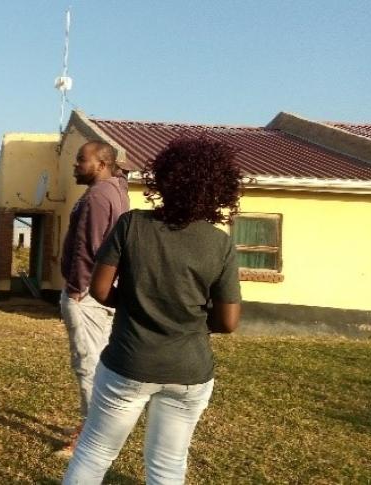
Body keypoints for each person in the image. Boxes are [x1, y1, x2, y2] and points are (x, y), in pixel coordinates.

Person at [63, 136, 243, 484]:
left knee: (95, 452)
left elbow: (99, 289)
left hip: (128, 363)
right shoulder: (221, 244)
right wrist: (189, 317)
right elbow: (228, 321)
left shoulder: (131, 224)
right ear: (216, 190)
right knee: (167, 465)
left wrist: (134, 304)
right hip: (189, 372)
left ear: (162, 181)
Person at [58, 141, 129, 453]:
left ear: (101, 164)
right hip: (99, 291)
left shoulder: (98, 196)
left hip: (86, 294)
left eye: (81, 160)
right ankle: (96, 425)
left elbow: (88, 248)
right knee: (98, 360)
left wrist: (76, 289)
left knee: (87, 363)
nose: (75, 165)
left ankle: (90, 434)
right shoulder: (115, 190)